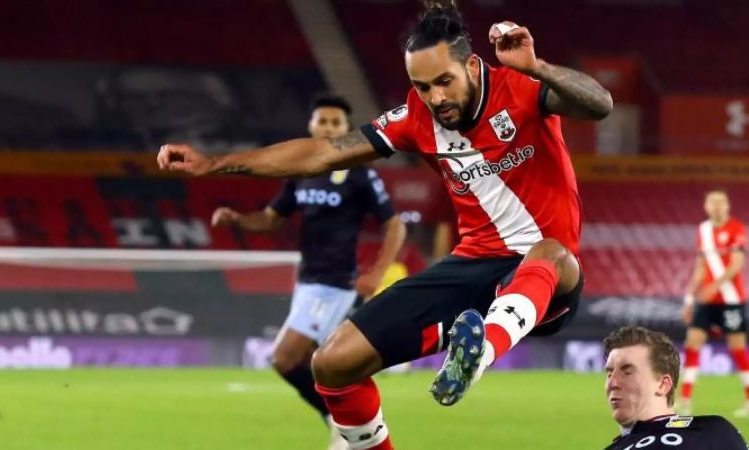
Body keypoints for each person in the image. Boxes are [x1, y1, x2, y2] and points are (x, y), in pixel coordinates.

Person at [158, 2, 613, 448]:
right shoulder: (416, 117)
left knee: (551, 250)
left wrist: (538, 66)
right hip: (472, 268)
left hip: (547, 279)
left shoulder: (522, 88)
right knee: (332, 363)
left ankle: (477, 355)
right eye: (422, 86)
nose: (435, 98)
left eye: (444, 82)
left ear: (473, 66)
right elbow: (322, 153)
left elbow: (599, 105)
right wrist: (216, 162)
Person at [210, 95, 406, 450]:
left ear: (346, 130)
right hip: (307, 281)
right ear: (311, 125)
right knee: (325, 365)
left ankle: (339, 422)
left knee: (284, 358)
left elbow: (395, 225)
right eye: (323, 121)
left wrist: (377, 273)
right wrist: (237, 219)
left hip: (334, 283)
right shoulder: (301, 172)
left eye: (336, 123)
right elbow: (271, 219)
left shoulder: (361, 173)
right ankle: (352, 426)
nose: (328, 127)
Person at [603, 326, 749, 450]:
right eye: (609, 373)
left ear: (663, 384)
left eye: (627, 372)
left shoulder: (714, 430)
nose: (612, 383)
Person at [679, 189, 749, 417]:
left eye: (721, 203)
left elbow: (736, 265)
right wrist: (689, 298)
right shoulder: (702, 231)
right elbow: (700, 268)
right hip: (706, 300)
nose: (716, 207)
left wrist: (713, 286)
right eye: (712, 203)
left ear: (728, 206)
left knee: (737, 347)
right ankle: (684, 399)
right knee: (693, 342)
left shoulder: (737, 229)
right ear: (705, 206)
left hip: (731, 299)